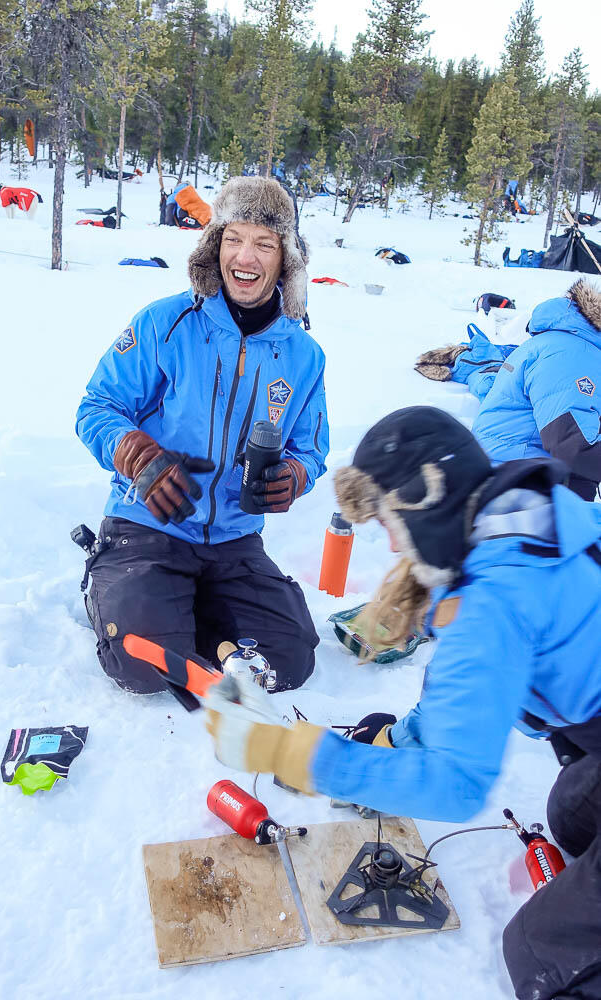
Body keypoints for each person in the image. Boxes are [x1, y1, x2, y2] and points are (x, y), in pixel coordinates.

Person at [205, 405, 601, 1000]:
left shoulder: (494, 601)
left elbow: (456, 785)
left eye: (391, 521)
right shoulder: (525, 520)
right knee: (572, 818)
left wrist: (295, 754)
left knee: (545, 953)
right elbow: (469, 692)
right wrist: (399, 740)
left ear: (427, 501)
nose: (390, 541)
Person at [75, 176, 329, 710]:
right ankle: (125, 591)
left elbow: (310, 450)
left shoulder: (304, 355)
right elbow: (98, 407)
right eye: (234, 239)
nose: (246, 257)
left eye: (264, 244)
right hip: (149, 526)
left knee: (289, 657)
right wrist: (137, 456)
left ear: (286, 258)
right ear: (215, 245)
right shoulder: (165, 323)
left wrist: (293, 477)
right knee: (144, 666)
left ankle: (189, 610)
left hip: (234, 541)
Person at [473, 280, 600, 501]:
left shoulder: (571, 343)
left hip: (519, 467)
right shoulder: (570, 354)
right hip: (518, 480)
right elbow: (573, 447)